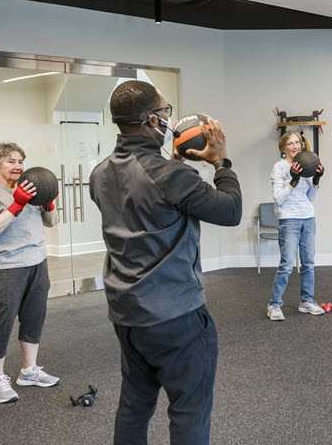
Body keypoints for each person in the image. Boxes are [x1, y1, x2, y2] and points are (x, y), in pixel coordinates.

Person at [89, 80, 241, 445]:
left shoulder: (100, 173)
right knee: (189, 409)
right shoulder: (172, 177)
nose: (169, 117)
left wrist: (174, 160)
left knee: (135, 404)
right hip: (176, 316)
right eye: (166, 111)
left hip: (128, 316)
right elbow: (231, 209)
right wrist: (221, 161)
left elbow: (146, 200)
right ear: (153, 120)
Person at [0, 142, 60, 404]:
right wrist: (16, 204)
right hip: (5, 267)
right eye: (11, 161)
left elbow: (51, 223)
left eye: (20, 161)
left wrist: (49, 202)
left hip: (36, 261)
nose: (18, 166)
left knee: (34, 319)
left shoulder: (31, 188)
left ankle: (29, 370)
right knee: (2, 322)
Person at [267, 132, 325, 321]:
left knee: (308, 263)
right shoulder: (279, 167)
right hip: (289, 219)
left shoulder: (307, 165)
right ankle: (274, 304)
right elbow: (278, 199)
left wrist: (316, 180)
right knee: (286, 264)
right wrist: (293, 180)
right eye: (290, 143)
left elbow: (310, 198)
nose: (295, 146)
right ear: (283, 148)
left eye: (297, 142)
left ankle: (306, 301)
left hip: (308, 217)